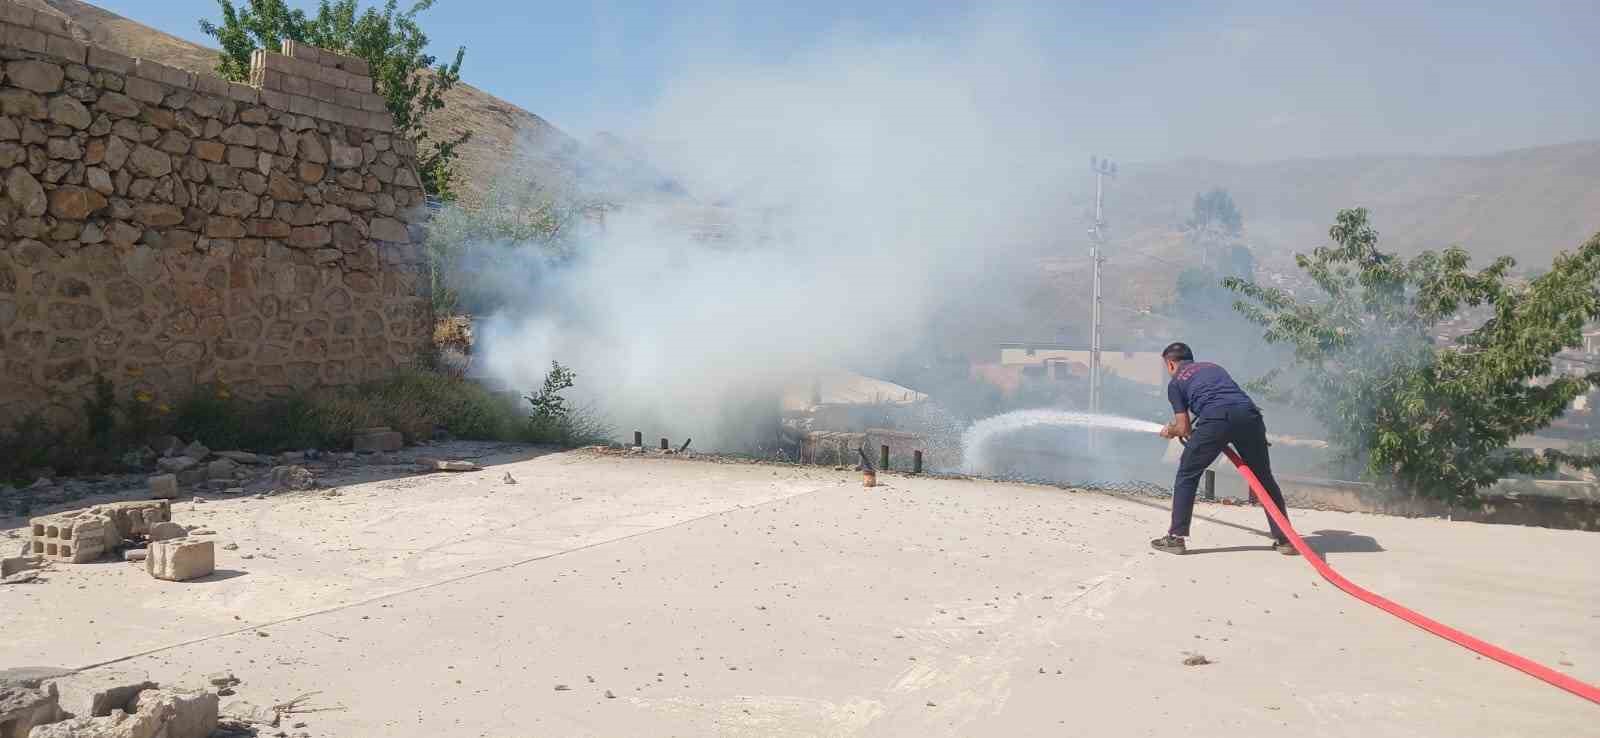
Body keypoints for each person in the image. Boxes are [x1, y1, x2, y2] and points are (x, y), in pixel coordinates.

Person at [1152, 342, 1295, 556]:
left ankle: (1176, 537)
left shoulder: (1175, 385)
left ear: (1170, 364)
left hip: (1217, 419)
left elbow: (1183, 427)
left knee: (1187, 474)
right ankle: (1285, 539)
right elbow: (1224, 398)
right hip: (1250, 417)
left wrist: (1170, 431)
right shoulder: (1213, 367)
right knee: (1263, 478)